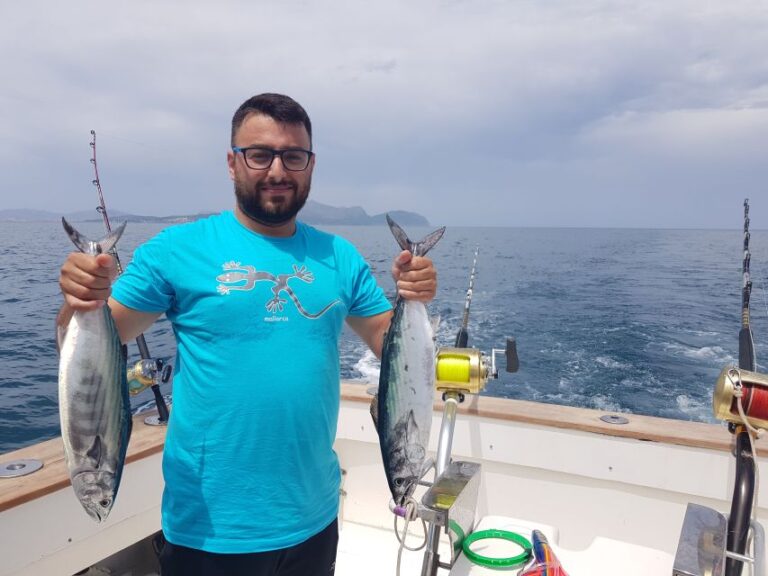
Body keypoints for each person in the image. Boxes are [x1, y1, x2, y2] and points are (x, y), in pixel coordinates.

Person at [57, 93, 438, 576]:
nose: (277, 169)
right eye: (259, 154)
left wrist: (416, 297)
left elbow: (389, 341)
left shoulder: (339, 257)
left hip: (315, 519)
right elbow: (97, 342)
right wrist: (78, 301)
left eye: (292, 156)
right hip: (209, 529)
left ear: (310, 165)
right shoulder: (175, 250)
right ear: (232, 162)